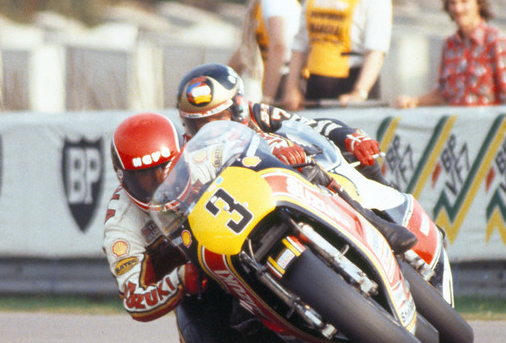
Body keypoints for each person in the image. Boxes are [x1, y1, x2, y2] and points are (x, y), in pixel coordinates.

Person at [103, 112, 307, 343]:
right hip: (203, 279)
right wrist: (179, 279)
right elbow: (135, 300)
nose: (160, 181)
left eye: (167, 166)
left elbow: (256, 140)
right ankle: (267, 333)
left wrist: (281, 149)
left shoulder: (206, 155)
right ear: (123, 178)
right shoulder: (121, 224)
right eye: (144, 175)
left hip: (253, 225)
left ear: (183, 151)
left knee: (310, 172)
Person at [176, 62, 416, 253]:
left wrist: (349, 136)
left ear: (238, 107)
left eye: (220, 118)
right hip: (242, 221)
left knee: (338, 163)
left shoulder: (256, 113)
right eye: (200, 124)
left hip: (291, 190)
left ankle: (380, 220)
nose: (211, 129)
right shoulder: (190, 156)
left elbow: (307, 124)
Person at [394, 0, 506, 108]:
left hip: (486, 126)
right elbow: (443, 93)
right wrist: (414, 101)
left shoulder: (496, 41)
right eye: (452, 3)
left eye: (464, 1)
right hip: (457, 125)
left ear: (478, 3)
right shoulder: (449, 44)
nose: (458, 9)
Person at [282, 0, 392, 110]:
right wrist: (291, 88)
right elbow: (299, 43)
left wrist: (359, 93)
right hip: (315, 87)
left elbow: (376, 51)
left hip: (352, 86)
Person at [227, 0, 301, 104]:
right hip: (280, 78)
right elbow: (243, 52)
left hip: (284, 80)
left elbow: (279, 45)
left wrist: (267, 98)